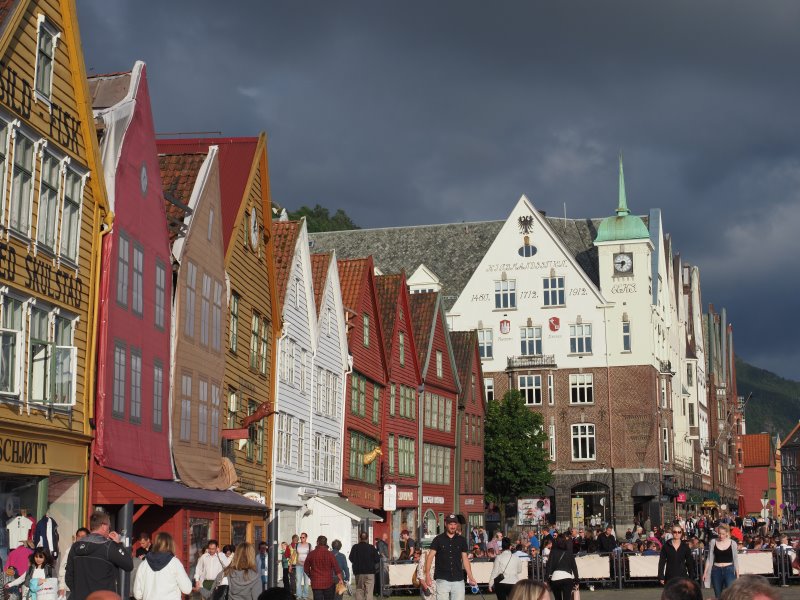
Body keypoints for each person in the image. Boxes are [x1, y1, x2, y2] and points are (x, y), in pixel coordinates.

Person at [65, 511, 133, 600]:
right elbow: (129, 565)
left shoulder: (76, 546)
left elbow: (68, 577)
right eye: (109, 527)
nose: (109, 530)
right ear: (104, 526)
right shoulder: (109, 546)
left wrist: (78, 592)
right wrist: (118, 544)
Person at [423, 514, 477, 600]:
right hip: (442, 579)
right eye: (450, 524)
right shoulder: (438, 539)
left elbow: (465, 559)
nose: (453, 526)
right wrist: (427, 575)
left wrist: (470, 577)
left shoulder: (462, 540)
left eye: (455, 524)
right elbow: (430, 557)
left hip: (458, 579)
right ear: (446, 524)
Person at [132, 532, 192, 600]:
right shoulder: (175, 563)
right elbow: (187, 589)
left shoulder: (143, 565)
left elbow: (137, 594)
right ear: (170, 544)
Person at [703, 523, 739, 597]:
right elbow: (709, 558)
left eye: (723, 534)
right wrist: (705, 572)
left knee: (730, 594)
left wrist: (737, 575)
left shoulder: (733, 543)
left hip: (729, 570)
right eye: (719, 533)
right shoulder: (713, 542)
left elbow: (735, 560)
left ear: (727, 533)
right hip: (716, 570)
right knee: (718, 595)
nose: (721, 536)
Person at [302, 536, 343, 600]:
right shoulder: (330, 554)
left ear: (317, 542)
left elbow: (306, 568)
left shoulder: (311, 554)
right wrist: (340, 579)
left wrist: (311, 576)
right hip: (328, 583)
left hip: (316, 582)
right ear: (326, 543)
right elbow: (337, 569)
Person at [58, 527, 89, 598]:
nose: (80, 538)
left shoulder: (91, 551)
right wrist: (61, 587)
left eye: (83, 536)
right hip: (71, 589)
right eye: (78, 536)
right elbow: (64, 569)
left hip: (87, 589)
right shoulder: (70, 551)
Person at [546, 535, 579, 600]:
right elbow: (574, 567)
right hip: (567, 578)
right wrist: (577, 580)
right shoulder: (569, 552)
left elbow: (549, 566)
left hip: (555, 578)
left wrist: (546, 579)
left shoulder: (553, 552)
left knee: (557, 598)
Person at [349, 532, 379, 600]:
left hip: (359, 572)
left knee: (359, 590)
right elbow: (377, 559)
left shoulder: (355, 547)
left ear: (359, 538)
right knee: (369, 591)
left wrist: (357, 562)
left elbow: (351, 558)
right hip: (370, 572)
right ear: (367, 539)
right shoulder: (371, 547)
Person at [295, 534, 312, 600]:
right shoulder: (297, 545)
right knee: (298, 581)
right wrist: (290, 564)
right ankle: (298, 595)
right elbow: (294, 554)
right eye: (301, 537)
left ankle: (305, 595)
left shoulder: (309, 545)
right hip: (298, 565)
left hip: (306, 565)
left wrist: (311, 565)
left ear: (306, 538)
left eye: (303, 537)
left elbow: (311, 555)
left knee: (306, 581)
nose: (301, 538)